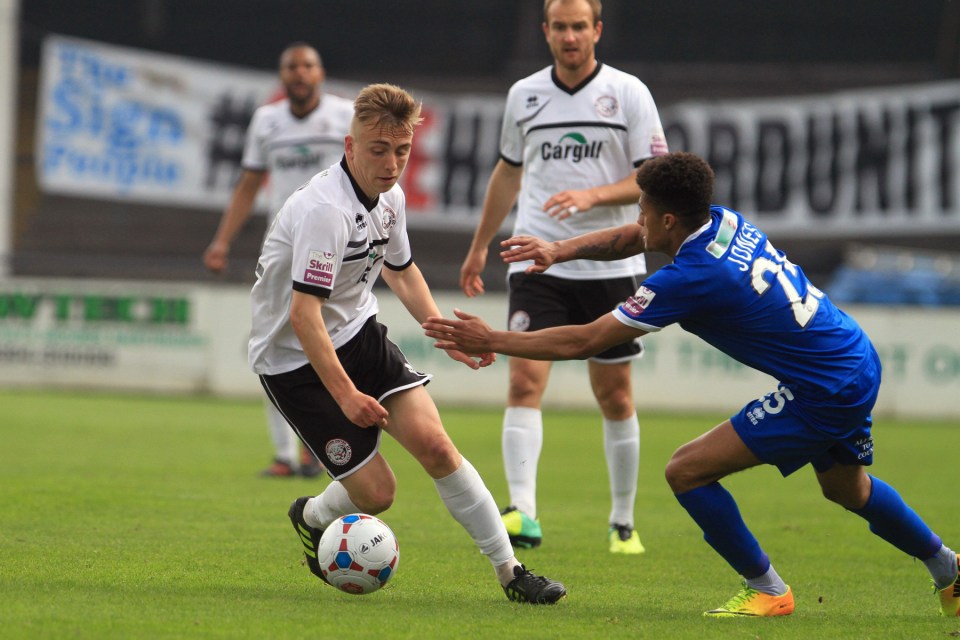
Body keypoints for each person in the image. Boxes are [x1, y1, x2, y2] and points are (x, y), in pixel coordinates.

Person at [424, 151, 960, 617]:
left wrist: (491, 337)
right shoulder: (723, 222)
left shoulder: (693, 277)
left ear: (670, 218)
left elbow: (584, 341)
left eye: (644, 210)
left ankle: (767, 590)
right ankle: (949, 570)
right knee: (848, 488)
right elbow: (634, 237)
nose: (639, 220)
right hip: (854, 356)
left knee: (686, 471)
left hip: (823, 388)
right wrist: (559, 251)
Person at [248, 83, 566, 604]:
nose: (392, 162)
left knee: (439, 448)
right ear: (350, 147)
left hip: (358, 335)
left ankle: (511, 572)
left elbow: (402, 270)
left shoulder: (390, 198)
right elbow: (303, 317)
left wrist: (445, 333)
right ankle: (309, 515)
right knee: (379, 494)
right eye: (379, 149)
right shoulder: (323, 210)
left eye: (402, 150)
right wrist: (347, 395)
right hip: (295, 361)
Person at [459, 0, 668, 554]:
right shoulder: (524, 95)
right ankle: (522, 511)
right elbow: (508, 171)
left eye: (580, 26)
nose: (571, 36)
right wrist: (480, 245)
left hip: (612, 260)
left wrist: (594, 195)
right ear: (546, 32)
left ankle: (622, 521)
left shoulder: (628, 92)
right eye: (560, 26)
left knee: (614, 393)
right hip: (535, 258)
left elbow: (654, 178)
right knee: (524, 380)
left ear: (596, 30)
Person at [204, 42, 354, 478]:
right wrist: (221, 242)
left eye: (308, 66)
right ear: (282, 76)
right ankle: (287, 454)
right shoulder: (267, 120)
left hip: (334, 245)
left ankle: (322, 446)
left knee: (333, 344)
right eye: (292, 67)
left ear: (321, 73)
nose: (300, 74)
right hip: (283, 247)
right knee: (269, 345)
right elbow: (249, 184)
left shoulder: (345, 115)